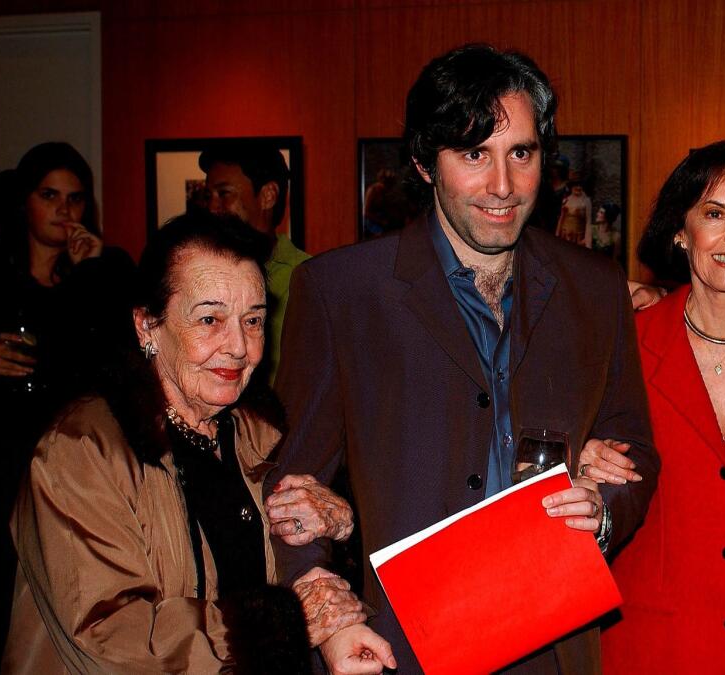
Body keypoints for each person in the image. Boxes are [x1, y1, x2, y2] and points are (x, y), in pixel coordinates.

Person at [270, 44, 657, 674]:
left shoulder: (595, 286)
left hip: (554, 643)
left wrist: (603, 504)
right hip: (397, 647)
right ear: (425, 162)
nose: (502, 187)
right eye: (473, 154)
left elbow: (632, 444)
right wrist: (328, 620)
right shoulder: (341, 292)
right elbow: (293, 489)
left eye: (521, 154)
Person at [3, 212, 374, 673]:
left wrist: (339, 526)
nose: (239, 346)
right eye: (210, 319)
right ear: (147, 325)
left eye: (253, 320)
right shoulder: (82, 449)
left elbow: (282, 569)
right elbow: (109, 636)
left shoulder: (254, 437)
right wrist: (279, 625)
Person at [589, 141, 725, 672]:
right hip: (648, 648)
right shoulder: (622, 349)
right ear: (680, 231)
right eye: (713, 213)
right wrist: (580, 453)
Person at [0, 142, 136, 669]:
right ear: (25, 201)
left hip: (69, 460)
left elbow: (117, 358)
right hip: (2, 454)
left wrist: (93, 268)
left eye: (74, 198)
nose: (63, 210)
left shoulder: (96, 277)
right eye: (50, 196)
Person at [200, 139, 309, 383]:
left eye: (224, 193)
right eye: (209, 196)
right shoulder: (198, 275)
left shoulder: (305, 278)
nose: (212, 207)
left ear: (268, 196)